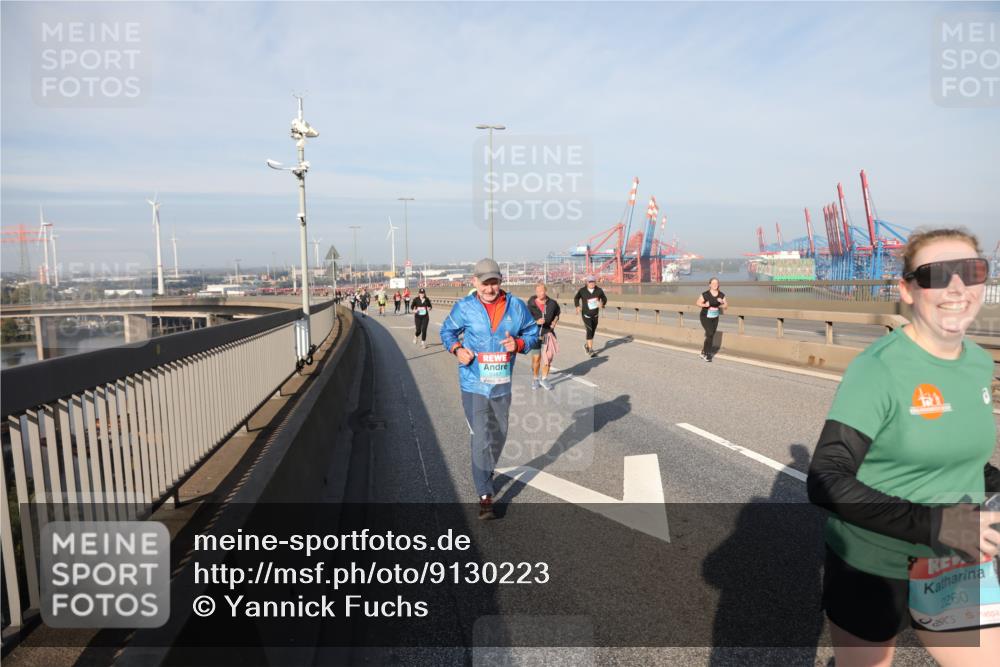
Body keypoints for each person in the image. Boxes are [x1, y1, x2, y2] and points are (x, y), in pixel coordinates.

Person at [807, 228, 999, 667]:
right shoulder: (877, 370)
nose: (956, 287)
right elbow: (826, 479)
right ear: (908, 291)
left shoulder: (977, 362)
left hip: (957, 558)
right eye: (935, 275)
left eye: (971, 271)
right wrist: (938, 525)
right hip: (874, 562)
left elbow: (959, 456)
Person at [441, 258, 539, 520]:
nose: (489, 288)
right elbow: (447, 332)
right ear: (475, 282)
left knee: (498, 436)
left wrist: (518, 343)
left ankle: (487, 471)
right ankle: (485, 495)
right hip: (473, 384)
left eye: (494, 282)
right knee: (481, 436)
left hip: (501, 385)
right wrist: (458, 349)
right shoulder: (465, 307)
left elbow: (531, 333)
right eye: (485, 283)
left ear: (500, 282)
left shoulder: (516, 307)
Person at [527, 282, 560, 390]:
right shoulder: (531, 304)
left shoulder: (552, 304)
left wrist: (554, 322)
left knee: (548, 358)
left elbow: (557, 313)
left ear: (545, 291)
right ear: (536, 292)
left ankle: (544, 379)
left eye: (542, 291)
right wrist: (536, 322)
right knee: (536, 359)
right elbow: (526, 320)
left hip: (547, 334)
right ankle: (535, 378)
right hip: (535, 335)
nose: (540, 293)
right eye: (538, 291)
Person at [574, 275, 607, 358]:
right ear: (587, 282)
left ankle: (587, 345)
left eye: (593, 282)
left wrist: (602, 303)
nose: (592, 283)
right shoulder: (582, 291)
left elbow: (604, 298)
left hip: (595, 315)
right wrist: (577, 306)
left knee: (592, 331)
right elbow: (576, 298)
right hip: (586, 315)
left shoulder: (599, 290)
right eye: (590, 282)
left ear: (595, 282)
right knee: (589, 330)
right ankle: (590, 350)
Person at [696, 277, 728, 362]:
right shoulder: (705, 294)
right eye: (713, 283)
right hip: (705, 316)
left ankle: (703, 351)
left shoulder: (721, 295)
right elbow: (698, 303)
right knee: (709, 333)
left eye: (716, 283)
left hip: (715, 317)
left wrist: (722, 302)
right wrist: (705, 305)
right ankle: (708, 354)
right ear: (709, 284)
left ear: (718, 285)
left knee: (710, 335)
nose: (715, 285)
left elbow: (726, 306)